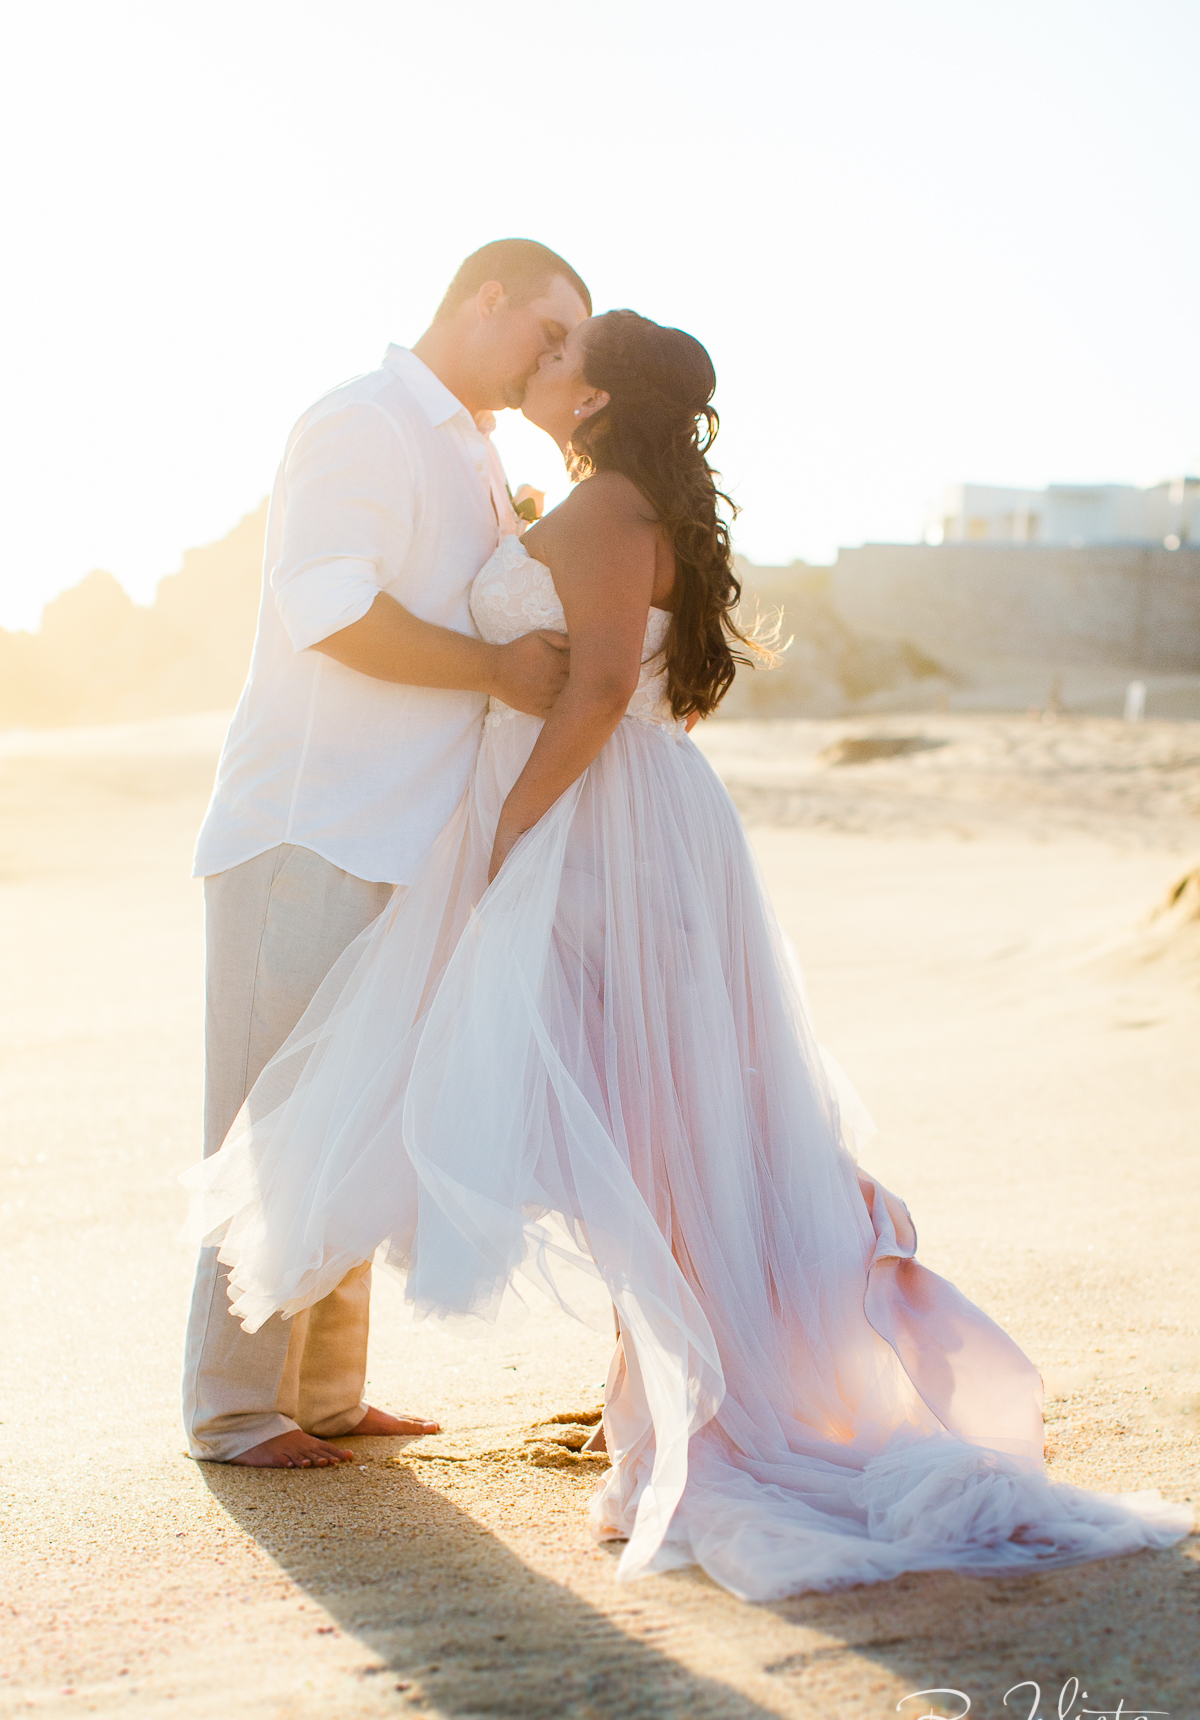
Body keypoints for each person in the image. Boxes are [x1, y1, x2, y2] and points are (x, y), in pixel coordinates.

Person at [185, 310, 1191, 1595]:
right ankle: (653, 1382)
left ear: (596, 392)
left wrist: (503, 836)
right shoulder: (599, 499)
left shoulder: (606, 511)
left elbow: (601, 688)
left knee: (634, 1117)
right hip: (622, 824)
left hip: (600, 834)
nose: (543, 364)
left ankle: (681, 1398)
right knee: (634, 1117)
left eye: (562, 353)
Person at [181, 239, 591, 1467]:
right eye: (551, 335)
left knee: (353, 1114)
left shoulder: (476, 452)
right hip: (307, 824)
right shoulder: (360, 421)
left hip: (408, 837)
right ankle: (231, 1407)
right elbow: (331, 609)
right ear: (486, 299)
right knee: (266, 1121)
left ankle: (325, 1395)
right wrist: (500, 670)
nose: (558, 364)